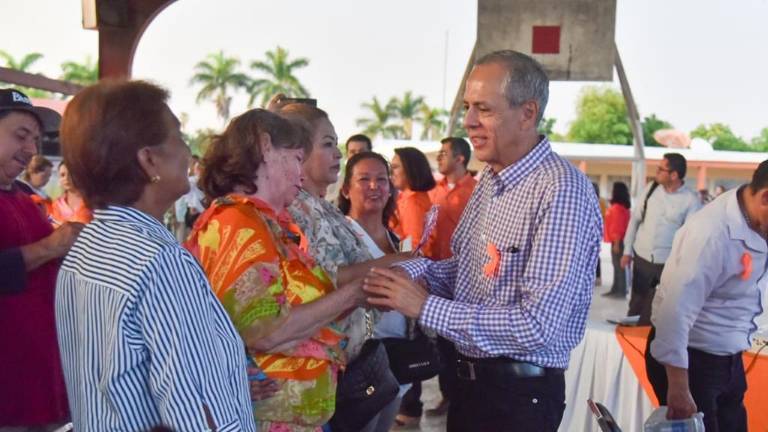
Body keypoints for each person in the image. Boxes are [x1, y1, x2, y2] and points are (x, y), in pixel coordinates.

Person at [362, 50, 602, 432]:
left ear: (527, 113)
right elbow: (469, 270)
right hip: (474, 386)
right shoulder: (491, 179)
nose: (469, 122)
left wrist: (425, 306)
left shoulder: (560, 191)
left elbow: (536, 326)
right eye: (468, 108)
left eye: (484, 109)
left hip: (518, 398)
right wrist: (414, 272)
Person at [55, 80, 256, 431]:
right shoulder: (160, 262)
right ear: (149, 160)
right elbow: (195, 409)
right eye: (178, 137)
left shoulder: (84, 248)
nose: (187, 150)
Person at [186, 108, 367, 431]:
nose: (302, 173)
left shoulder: (264, 223)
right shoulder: (238, 222)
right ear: (266, 148)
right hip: (266, 419)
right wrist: (353, 293)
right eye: (298, 158)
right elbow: (266, 330)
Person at [278, 103, 409, 361]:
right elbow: (328, 278)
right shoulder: (297, 207)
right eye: (327, 144)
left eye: (382, 180)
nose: (338, 154)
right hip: (320, 358)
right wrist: (398, 261)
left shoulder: (321, 207)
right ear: (298, 151)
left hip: (346, 359)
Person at [645, 159, 768, 432]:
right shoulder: (711, 233)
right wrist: (678, 387)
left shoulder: (757, 221)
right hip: (691, 361)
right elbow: (674, 311)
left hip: (729, 356)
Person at [0, 88, 80, 432]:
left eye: (35, 139)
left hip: (39, 382)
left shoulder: (26, 196)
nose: (31, 149)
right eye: (21, 136)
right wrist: (50, 247)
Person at [338, 151, 410, 432]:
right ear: (345, 189)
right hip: (361, 363)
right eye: (363, 179)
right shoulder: (340, 235)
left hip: (398, 362)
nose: (374, 186)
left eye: (381, 179)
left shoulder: (396, 238)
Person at [417, 137, 476, 419]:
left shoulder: (476, 192)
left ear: (460, 159)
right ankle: (447, 395)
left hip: (463, 278)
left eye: (444, 153)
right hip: (435, 274)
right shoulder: (435, 190)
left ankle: (461, 396)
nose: (439, 158)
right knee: (441, 343)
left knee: (460, 343)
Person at [620, 153, 700, 324]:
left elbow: (691, 237)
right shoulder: (650, 189)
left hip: (667, 264)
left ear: (674, 175)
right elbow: (634, 220)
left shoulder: (691, 201)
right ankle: (627, 341)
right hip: (642, 258)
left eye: (661, 169)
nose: (656, 172)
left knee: (656, 308)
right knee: (636, 303)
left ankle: (644, 345)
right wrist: (627, 251)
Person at [389, 146, 436, 255]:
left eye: (395, 167)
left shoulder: (413, 201)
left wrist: (396, 231)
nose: (391, 172)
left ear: (410, 169)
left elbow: (415, 246)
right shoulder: (406, 197)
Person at [602, 182, 631, 297]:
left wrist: (617, 244)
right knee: (616, 265)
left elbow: (617, 227)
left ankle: (621, 291)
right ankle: (615, 289)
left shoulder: (618, 208)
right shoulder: (619, 207)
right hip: (617, 241)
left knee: (619, 266)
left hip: (618, 241)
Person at [50, 161, 92, 226]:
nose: (66, 178)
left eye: (71, 175)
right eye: (62, 175)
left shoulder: (92, 202)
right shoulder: (57, 204)